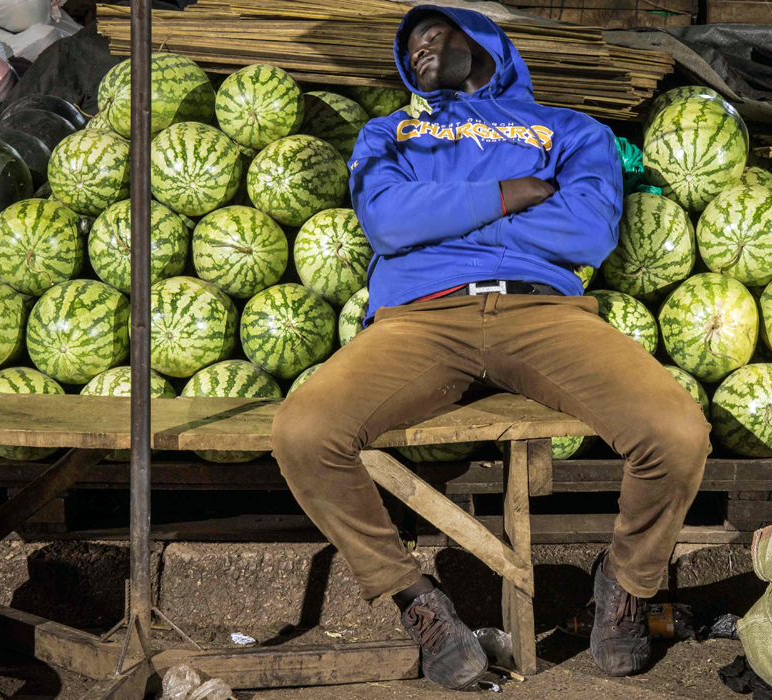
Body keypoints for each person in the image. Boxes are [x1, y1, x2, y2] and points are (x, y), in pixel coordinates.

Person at [271, 4, 711, 691]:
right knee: (303, 431)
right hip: (419, 318)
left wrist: (448, 214)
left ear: (481, 39)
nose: (418, 47)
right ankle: (415, 599)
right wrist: (511, 193)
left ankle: (625, 582)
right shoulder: (392, 131)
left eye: (433, 32)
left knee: (676, 431)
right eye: (408, 44)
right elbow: (389, 221)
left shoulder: (571, 130)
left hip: (544, 313)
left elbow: (587, 229)